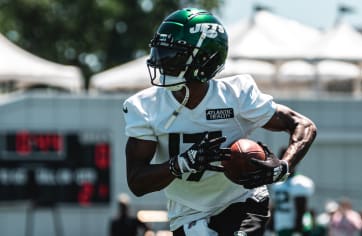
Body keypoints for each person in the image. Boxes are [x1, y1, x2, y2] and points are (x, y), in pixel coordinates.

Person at [123, 8, 317, 236]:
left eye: (173, 54)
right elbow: (137, 182)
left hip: (241, 200)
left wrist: (284, 167)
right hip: (187, 211)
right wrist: (183, 163)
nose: (160, 60)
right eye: (160, 50)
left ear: (205, 59)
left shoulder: (236, 94)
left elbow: (303, 125)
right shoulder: (145, 106)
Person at [270, 154, 315, 236]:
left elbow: (301, 209)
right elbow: (274, 207)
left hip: (293, 227)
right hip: (280, 226)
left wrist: (297, 230)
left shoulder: (299, 183)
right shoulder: (278, 182)